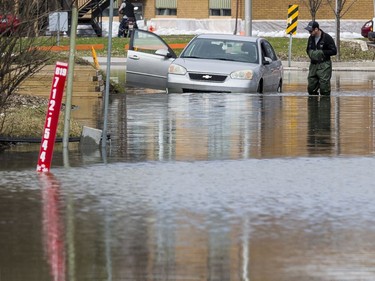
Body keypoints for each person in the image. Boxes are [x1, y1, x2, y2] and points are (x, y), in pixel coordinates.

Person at [305, 21, 337, 95]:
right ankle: (313, 105)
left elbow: (334, 51)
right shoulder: (311, 38)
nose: (310, 33)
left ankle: (325, 104)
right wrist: (311, 53)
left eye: (311, 31)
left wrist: (322, 53)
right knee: (311, 88)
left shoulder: (327, 38)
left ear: (316, 29)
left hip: (324, 64)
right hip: (313, 64)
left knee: (324, 88)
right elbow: (307, 49)